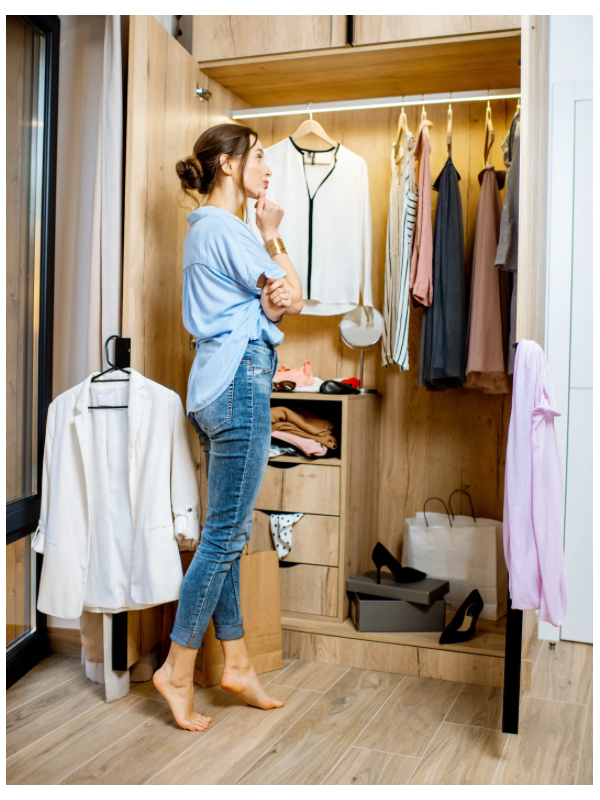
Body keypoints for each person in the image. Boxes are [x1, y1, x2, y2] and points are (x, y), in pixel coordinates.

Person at [153, 124, 303, 731]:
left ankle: (236, 661)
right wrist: (273, 236)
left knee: (227, 534)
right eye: (259, 156)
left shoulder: (209, 232)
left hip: (214, 384)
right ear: (226, 165)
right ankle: (178, 669)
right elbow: (293, 293)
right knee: (223, 539)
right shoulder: (227, 229)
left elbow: (275, 299)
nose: (267, 167)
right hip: (239, 384)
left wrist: (264, 290)